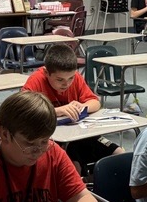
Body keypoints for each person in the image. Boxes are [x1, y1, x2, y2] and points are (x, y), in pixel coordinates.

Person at [21, 43, 125, 174]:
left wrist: (83, 106)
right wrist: (57, 111)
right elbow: (23, 112)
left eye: (70, 78)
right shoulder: (36, 80)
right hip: (51, 139)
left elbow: (95, 102)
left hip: (79, 134)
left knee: (119, 153)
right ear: (47, 73)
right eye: (60, 80)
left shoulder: (76, 78)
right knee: (74, 166)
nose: (66, 84)